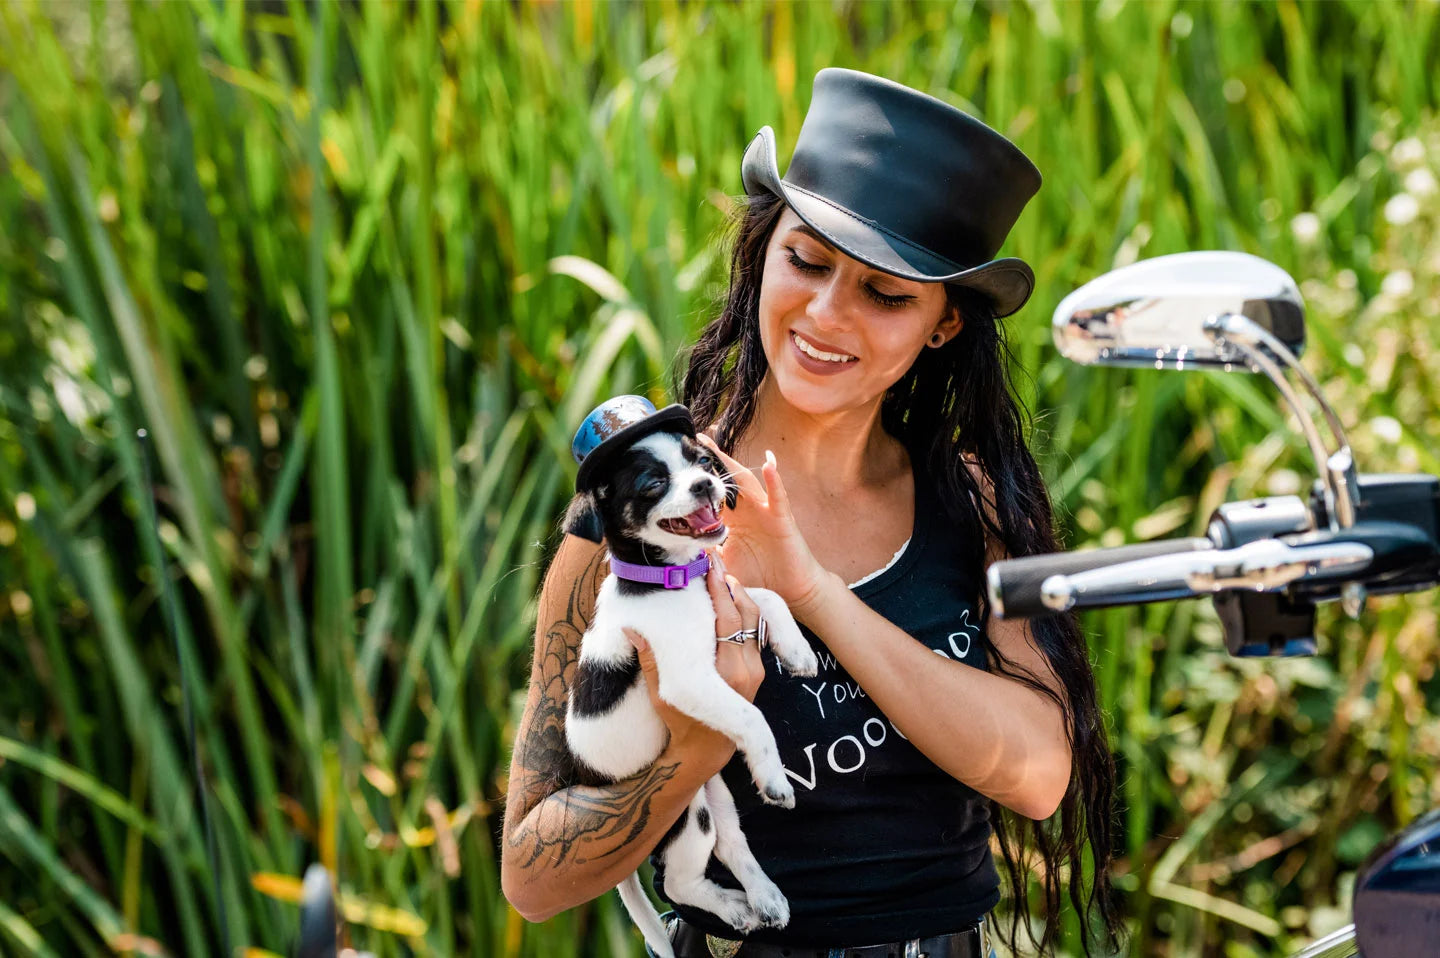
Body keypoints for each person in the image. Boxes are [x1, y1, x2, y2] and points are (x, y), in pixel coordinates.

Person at [502, 68, 1123, 958]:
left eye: (887, 294)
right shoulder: (634, 524)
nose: (827, 316)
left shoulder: (975, 502)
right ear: (763, 252)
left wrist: (817, 593)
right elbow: (531, 876)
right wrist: (696, 744)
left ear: (943, 325)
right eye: (807, 260)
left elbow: (1037, 776)